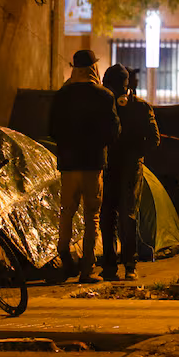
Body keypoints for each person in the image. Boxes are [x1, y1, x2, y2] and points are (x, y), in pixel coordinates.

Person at [49, 49, 119, 283]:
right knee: (92, 217)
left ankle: (64, 260)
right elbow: (113, 132)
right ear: (94, 68)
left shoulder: (61, 95)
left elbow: (51, 129)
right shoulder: (105, 96)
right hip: (93, 164)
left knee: (66, 214)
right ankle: (87, 270)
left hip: (68, 165)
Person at [99, 64, 159, 281]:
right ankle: (119, 265)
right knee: (117, 215)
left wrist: (133, 152)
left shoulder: (138, 107)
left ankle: (121, 265)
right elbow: (154, 139)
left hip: (123, 166)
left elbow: (153, 139)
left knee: (120, 215)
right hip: (116, 165)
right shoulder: (132, 106)